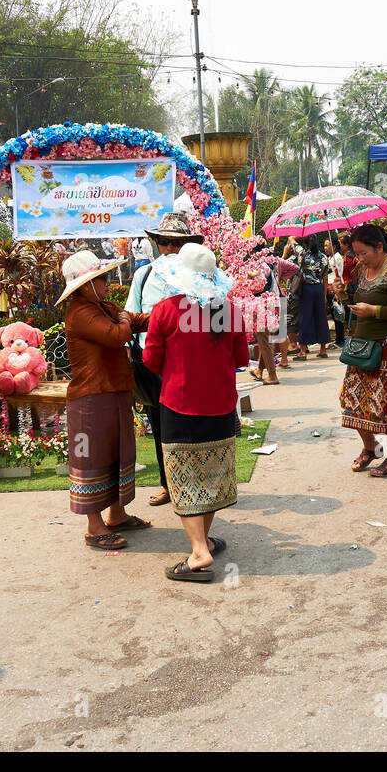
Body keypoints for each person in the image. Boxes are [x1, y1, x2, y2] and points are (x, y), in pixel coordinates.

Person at [143, 243, 245, 583]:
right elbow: (242, 359)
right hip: (220, 405)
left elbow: (151, 360)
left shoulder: (166, 309)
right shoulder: (228, 310)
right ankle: (205, 541)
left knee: (185, 478)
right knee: (212, 475)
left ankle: (199, 551)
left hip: (180, 405)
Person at [61, 249, 150, 550]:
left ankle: (117, 514)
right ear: (85, 285)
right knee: (92, 459)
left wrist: (167, 314)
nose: (107, 282)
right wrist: (126, 320)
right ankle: (94, 528)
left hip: (111, 392)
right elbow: (117, 334)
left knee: (118, 452)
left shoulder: (100, 306)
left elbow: (132, 321)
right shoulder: (82, 312)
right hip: (91, 399)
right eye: (102, 278)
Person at [125, 212, 204, 507]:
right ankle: (167, 484)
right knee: (160, 428)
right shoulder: (143, 275)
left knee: (194, 425)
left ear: (187, 246)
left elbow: (210, 318)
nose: (169, 249)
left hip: (190, 363)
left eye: (176, 243)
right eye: (164, 242)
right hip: (152, 363)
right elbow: (129, 317)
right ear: (156, 243)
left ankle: (197, 482)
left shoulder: (199, 277)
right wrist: (157, 320)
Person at [341, 223, 387, 477]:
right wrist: (344, 297)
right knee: (352, 400)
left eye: (364, 253)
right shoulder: (366, 270)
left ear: (380, 247)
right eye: (357, 254)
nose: (360, 259)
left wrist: (374, 311)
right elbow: (364, 300)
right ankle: (370, 446)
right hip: (362, 349)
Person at [292, 236, 331, 359]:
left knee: (305, 318)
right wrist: (324, 295)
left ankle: (303, 351)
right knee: (321, 317)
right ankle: (323, 349)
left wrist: (301, 234)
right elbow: (325, 278)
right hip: (319, 289)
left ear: (305, 245)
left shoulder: (302, 254)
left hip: (306, 290)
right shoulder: (324, 257)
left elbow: (290, 239)